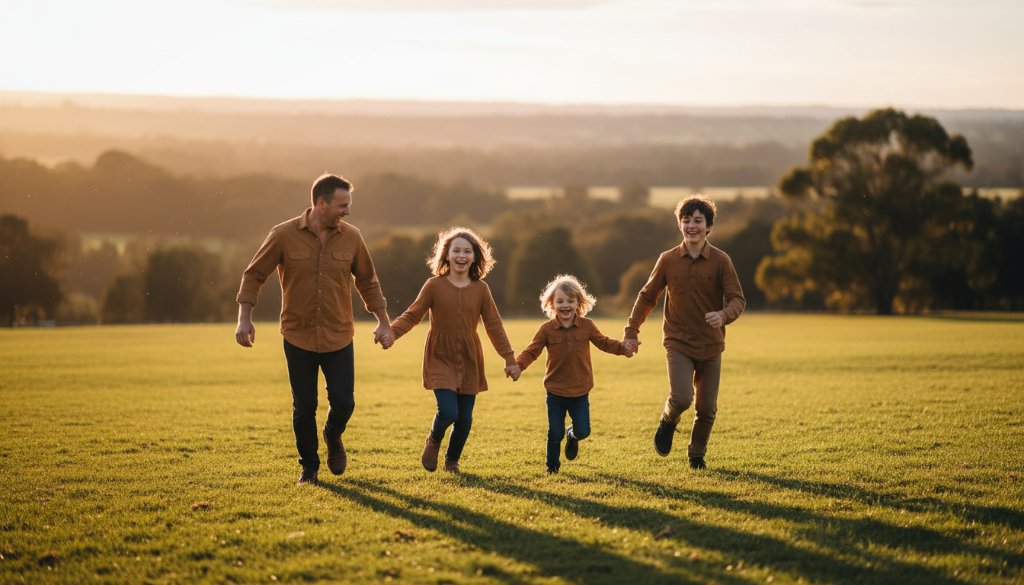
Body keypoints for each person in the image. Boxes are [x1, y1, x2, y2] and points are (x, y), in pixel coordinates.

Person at [235, 173, 394, 486]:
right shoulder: (283, 234)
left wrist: (383, 321)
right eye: (342, 205)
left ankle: (333, 436)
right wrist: (244, 317)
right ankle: (309, 467)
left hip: (338, 335)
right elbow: (253, 275)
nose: (347, 211)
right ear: (321, 204)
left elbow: (368, 281)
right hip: (298, 335)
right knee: (304, 405)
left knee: (344, 402)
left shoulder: (353, 237)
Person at [622, 194, 745, 470]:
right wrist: (631, 330)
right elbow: (647, 296)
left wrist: (723, 315)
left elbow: (738, 299)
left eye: (698, 221)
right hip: (677, 342)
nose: (692, 226)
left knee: (707, 409)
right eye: (686, 220)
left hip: (711, 345)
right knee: (681, 398)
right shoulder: (667, 260)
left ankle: (696, 455)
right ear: (679, 224)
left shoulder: (721, 261)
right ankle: (668, 420)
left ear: (708, 226)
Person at [389, 226, 520, 474]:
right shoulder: (433, 285)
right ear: (446, 255)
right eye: (456, 250)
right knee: (448, 411)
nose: (461, 255)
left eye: (467, 251)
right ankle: (433, 439)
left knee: (465, 419)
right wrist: (392, 332)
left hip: (470, 357)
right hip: (440, 354)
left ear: (475, 257)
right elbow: (412, 315)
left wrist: (509, 358)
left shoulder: (481, 289)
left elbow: (494, 325)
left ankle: (452, 461)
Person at [515, 275, 634, 474]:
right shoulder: (546, 330)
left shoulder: (587, 326)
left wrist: (623, 348)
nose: (565, 305)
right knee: (555, 432)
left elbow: (603, 343)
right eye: (560, 301)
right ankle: (552, 467)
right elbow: (532, 351)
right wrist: (518, 365)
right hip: (555, 392)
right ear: (552, 304)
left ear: (579, 303)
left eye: (570, 301)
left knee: (583, 431)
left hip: (580, 391)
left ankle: (572, 436)